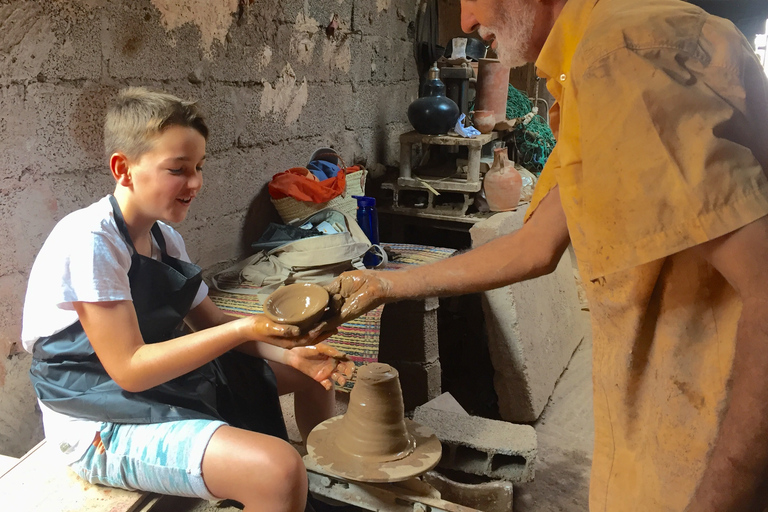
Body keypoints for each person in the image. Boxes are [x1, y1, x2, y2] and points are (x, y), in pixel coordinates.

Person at [325, 0, 768, 510]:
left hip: (711, 443)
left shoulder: (622, 56)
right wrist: (383, 285)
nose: (465, 21)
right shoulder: (602, 57)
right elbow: (535, 246)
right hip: (661, 426)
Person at [21, 87, 354, 512]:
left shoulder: (165, 238)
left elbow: (211, 322)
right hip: (95, 414)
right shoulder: (91, 240)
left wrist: (294, 355)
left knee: (313, 371)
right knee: (276, 468)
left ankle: (320, 484)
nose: (195, 182)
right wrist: (247, 327)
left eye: (198, 166)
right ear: (123, 168)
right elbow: (130, 370)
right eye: (178, 169)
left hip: (154, 381)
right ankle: (283, 490)